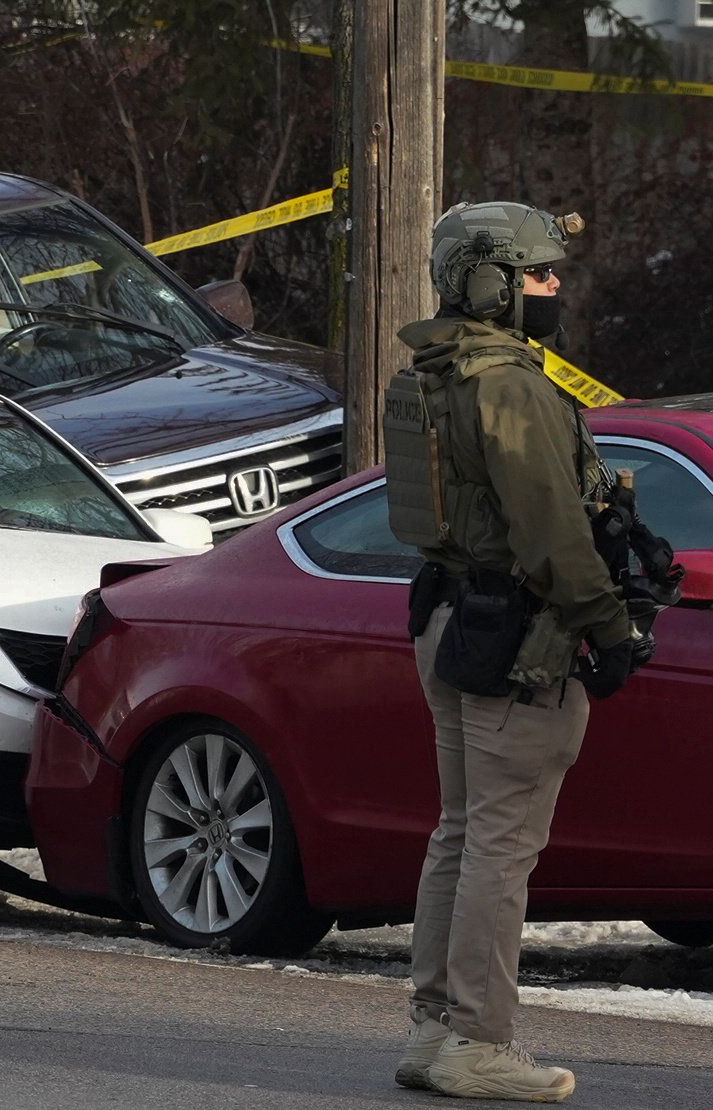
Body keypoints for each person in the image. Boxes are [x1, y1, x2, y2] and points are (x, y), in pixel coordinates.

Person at [383, 201, 649, 1102]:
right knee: (498, 846)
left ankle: (434, 1030)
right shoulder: (509, 386)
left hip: (453, 617)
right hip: (513, 638)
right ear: (490, 283)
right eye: (537, 275)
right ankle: (477, 1041)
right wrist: (609, 628)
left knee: (460, 836)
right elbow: (550, 535)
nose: (552, 288)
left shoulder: (440, 370)